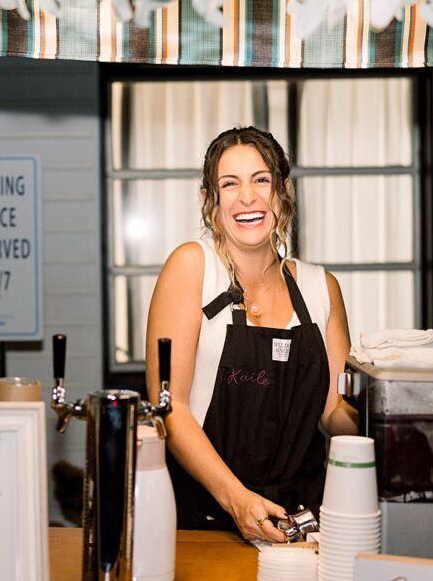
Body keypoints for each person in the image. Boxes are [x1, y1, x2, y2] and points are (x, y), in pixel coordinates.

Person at [144, 126, 358, 543]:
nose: (248, 197)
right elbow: (170, 407)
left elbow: (334, 413)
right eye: (230, 184)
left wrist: (387, 410)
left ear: (283, 191)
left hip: (302, 525)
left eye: (261, 180)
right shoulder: (192, 268)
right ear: (209, 199)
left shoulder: (320, 288)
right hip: (207, 520)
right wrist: (236, 498)